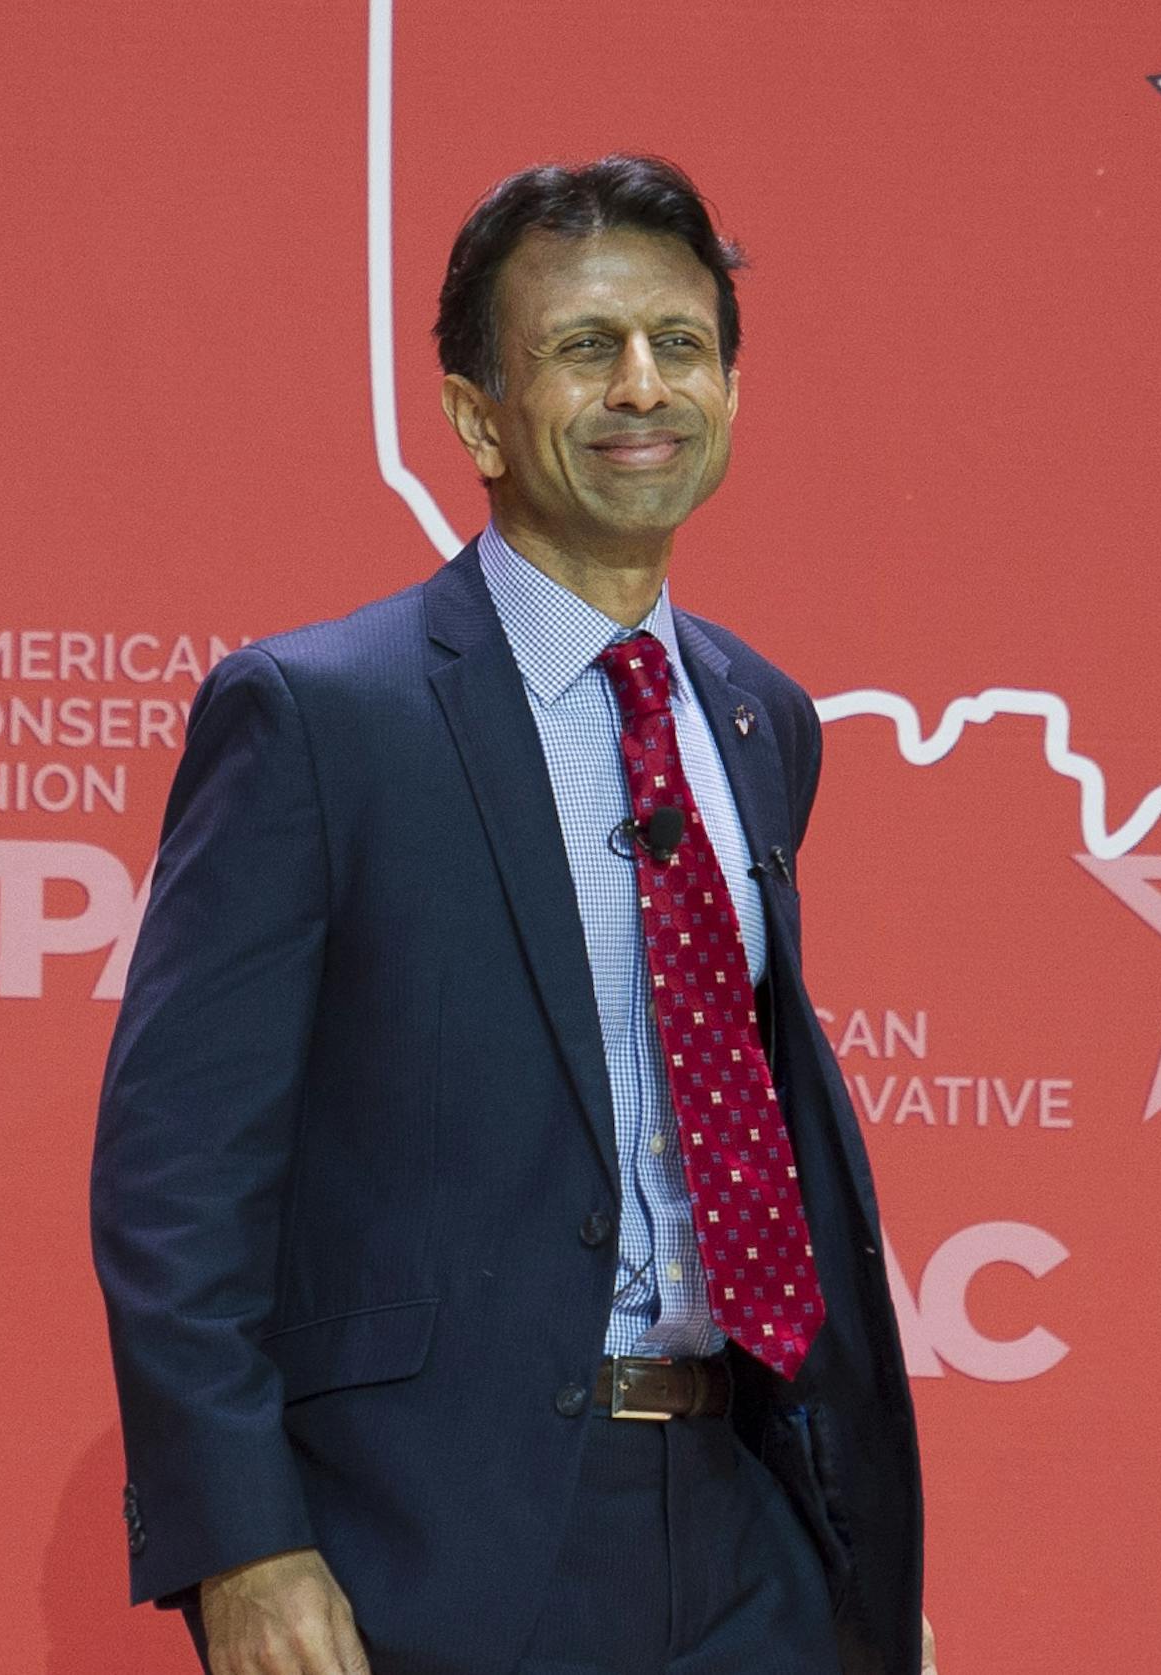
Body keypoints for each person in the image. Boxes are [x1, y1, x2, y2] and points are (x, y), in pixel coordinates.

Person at [91, 154, 931, 1675]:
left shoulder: (760, 718)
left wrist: (852, 1551)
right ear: (478, 414)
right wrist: (244, 1544)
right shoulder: (320, 716)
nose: (641, 386)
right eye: (582, 347)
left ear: (731, 395)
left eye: (681, 345)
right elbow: (179, 1178)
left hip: (746, 1533)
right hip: (434, 1546)